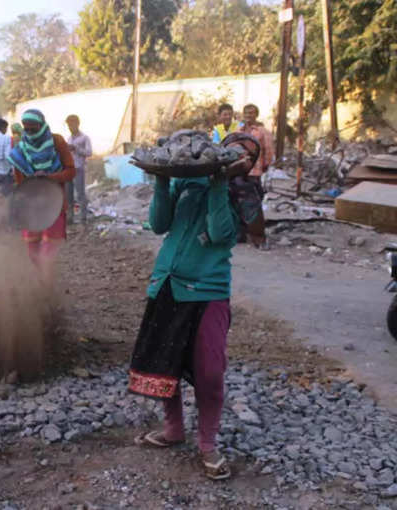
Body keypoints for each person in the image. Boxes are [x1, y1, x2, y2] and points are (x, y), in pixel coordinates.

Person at [128, 138, 260, 481]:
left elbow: (219, 234)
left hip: (208, 291)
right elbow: (159, 224)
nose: (244, 155)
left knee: (210, 372)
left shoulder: (243, 193)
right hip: (167, 284)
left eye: (251, 153)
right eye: (238, 148)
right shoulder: (185, 182)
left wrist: (218, 182)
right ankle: (173, 430)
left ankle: (207, 444)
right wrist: (161, 179)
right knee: (164, 365)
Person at [8, 109, 75, 285]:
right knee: (32, 253)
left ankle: (46, 293)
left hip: (54, 202)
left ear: (42, 125)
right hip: (31, 206)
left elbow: (71, 171)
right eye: (26, 129)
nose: (30, 132)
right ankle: (45, 285)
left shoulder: (57, 141)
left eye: (33, 128)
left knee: (47, 254)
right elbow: (20, 181)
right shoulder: (19, 149)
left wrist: (49, 178)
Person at [238, 104, 274, 247]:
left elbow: (268, 150)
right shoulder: (239, 130)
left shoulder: (262, 131)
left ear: (256, 115)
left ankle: (257, 236)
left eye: (251, 113)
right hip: (240, 170)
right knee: (238, 200)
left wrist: (265, 165)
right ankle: (241, 232)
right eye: (246, 112)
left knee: (254, 203)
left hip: (254, 171)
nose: (248, 115)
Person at [65, 114, 93, 224]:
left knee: (80, 194)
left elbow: (89, 152)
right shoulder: (69, 138)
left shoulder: (85, 138)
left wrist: (76, 148)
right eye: (68, 125)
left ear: (77, 124)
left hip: (79, 168)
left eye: (72, 124)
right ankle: (70, 217)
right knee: (69, 194)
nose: (70, 127)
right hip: (69, 169)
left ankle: (83, 217)